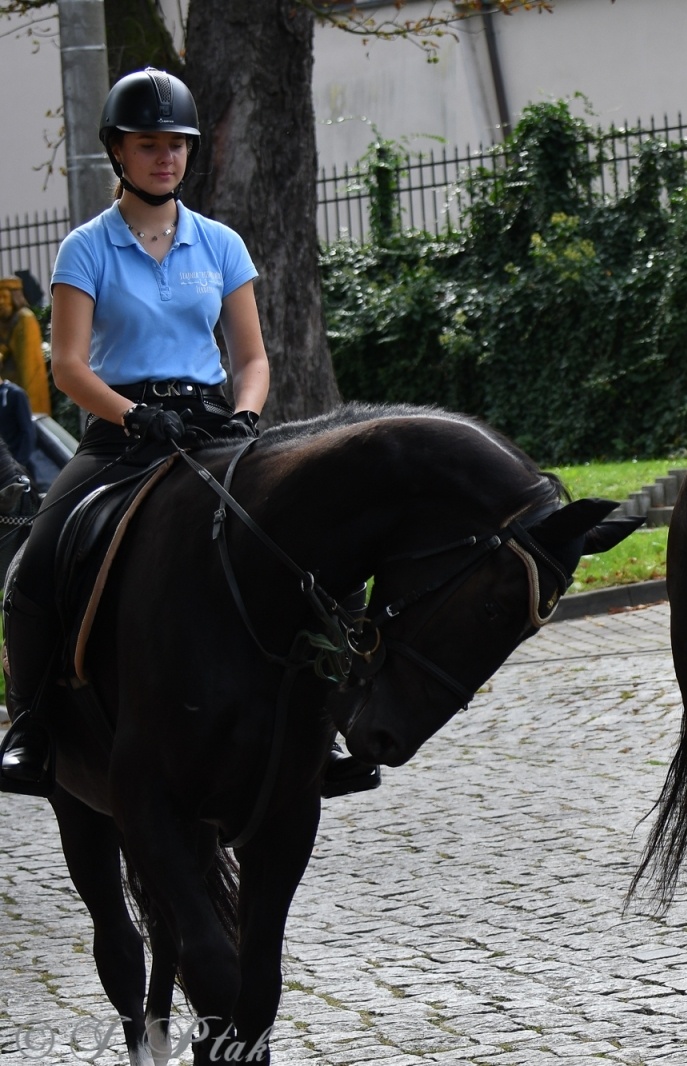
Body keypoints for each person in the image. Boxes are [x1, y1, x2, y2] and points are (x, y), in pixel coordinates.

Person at [0, 67, 375, 799]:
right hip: (120, 435)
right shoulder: (86, 247)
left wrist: (244, 416)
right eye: (148, 145)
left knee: (312, 553)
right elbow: (70, 366)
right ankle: (34, 727)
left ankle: (331, 720)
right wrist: (133, 415)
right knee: (40, 563)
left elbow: (254, 357)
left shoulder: (221, 243)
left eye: (176, 145)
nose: (165, 158)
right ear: (117, 151)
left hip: (212, 428)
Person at [0, 275, 50, 416]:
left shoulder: (24, 319)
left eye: (4, 297)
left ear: (14, 297)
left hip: (23, 392)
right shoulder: (2, 322)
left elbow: (29, 367)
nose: (0, 302)